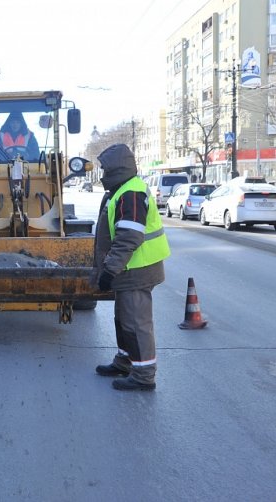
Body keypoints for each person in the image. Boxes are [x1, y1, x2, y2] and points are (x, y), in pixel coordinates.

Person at [91, 144, 170, 391]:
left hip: (138, 268)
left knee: (136, 322)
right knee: (124, 319)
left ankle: (144, 375)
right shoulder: (121, 190)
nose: (102, 173)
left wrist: (110, 269)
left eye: (104, 168)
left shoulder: (131, 194)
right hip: (130, 269)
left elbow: (129, 237)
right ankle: (125, 362)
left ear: (116, 168)